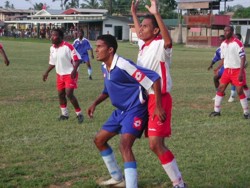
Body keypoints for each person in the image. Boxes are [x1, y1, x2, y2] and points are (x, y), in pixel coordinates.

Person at [87, 34, 166, 188]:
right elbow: (108, 89)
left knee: (124, 145)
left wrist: (158, 105)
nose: (96, 50)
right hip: (120, 111)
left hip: (135, 110)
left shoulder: (123, 65)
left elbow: (155, 78)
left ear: (110, 50)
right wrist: (95, 103)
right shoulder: (105, 66)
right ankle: (117, 178)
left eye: (99, 46)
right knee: (99, 140)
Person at [131, 0, 186, 188]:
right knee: (152, 143)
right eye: (141, 27)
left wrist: (156, 14)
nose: (141, 29)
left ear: (155, 31)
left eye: (146, 27)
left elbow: (168, 41)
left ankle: (179, 183)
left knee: (155, 144)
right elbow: (139, 32)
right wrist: (133, 13)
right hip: (146, 98)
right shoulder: (144, 45)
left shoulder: (160, 46)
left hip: (159, 98)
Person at [42, 28, 84, 124]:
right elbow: (53, 63)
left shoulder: (68, 46)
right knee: (61, 94)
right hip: (59, 74)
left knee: (69, 94)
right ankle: (64, 114)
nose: (52, 37)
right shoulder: (52, 48)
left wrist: (74, 71)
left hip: (70, 73)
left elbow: (77, 60)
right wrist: (46, 72)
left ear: (60, 37)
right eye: (51, 35)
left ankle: (79, 114)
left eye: (55, 35)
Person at [209, 26, 250, 119]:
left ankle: (246, 113)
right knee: (220, 89)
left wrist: (240, 72)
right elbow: (223, 58)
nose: (226, 32)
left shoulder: (237, 43)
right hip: (227, 71)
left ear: (232, 32)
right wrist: (219, 68)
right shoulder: (223, 44)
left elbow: (243, 57)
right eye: (225, 31)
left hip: (237, 70)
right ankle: (217, 111)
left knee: (240, 91)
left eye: (228, 31)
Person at [207, 35, 236, 102]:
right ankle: (220, 94)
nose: (221, 41)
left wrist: (218, 68)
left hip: (231, 66)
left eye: (222, 40)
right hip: (224, 66)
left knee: (232, 80)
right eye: (220, 40)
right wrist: (211, 65)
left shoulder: (231, 47)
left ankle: (232, 95)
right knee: (215, 78)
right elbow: (215, 58)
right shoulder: (219, 49)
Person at [235, 33, 250, 100]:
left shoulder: (239, 44)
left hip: (240, 64)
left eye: (237, 37)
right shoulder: (234, 43)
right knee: (243, 83)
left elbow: (242, 56)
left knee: (240, 82)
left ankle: (233, 95)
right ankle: (248, 95)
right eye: (235, 37)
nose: (236, 38)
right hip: (237, 64)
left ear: (240, 38)